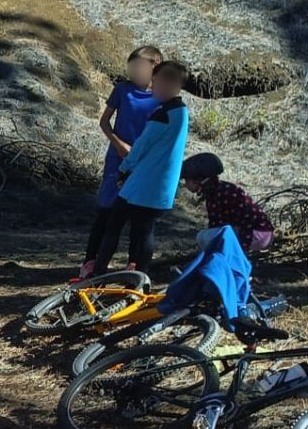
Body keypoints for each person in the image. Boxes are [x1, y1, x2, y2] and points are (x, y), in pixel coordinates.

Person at [88, 60, 191, 275]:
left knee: (115, 224)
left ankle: (97, 274)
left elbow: (141, 146)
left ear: (175, 86)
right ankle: (139, 278)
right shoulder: (180, 111)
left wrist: (124, 169)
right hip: (160, 188)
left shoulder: (163, 114)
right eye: (156, 82)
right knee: (143, 230)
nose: (155, 87)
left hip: (142, 185)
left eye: (160, 83)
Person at [79, 46, 164, 278]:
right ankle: (91, 263)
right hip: (118, 159)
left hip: (145, 164)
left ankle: (134, 265)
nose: (134, 72)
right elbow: (104, 121)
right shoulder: (123, 90)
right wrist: (118, 144)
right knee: (107, 211)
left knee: (140, 216)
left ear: (155, 65)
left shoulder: (162, 97)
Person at [181, 152, 274, 254]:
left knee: (208, 237)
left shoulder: (220, 193)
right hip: (252, 232)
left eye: (187, 181)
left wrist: (242, 251)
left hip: (258, 234)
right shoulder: (216, 191)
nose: (186, 185)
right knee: (203, 236)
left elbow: (241, 223)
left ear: (197, 180)